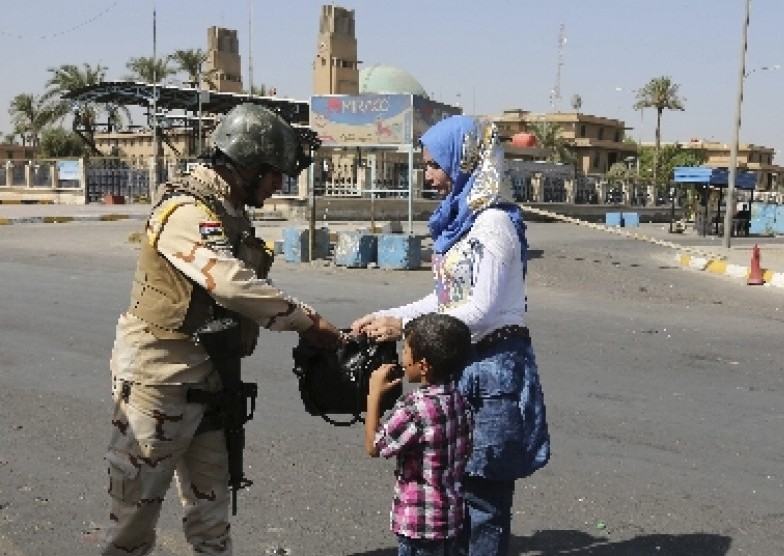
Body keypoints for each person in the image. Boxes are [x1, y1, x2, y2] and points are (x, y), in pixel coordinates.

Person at [101, 102, 343, 556]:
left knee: (212, 517)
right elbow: (230, 283)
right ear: (247, 165)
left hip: (213, 379)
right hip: (159, 383)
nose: (278, 185)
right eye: (274, 174)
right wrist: (307, 321)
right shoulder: (184, 211)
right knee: (133, 525)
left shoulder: (230, 210)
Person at [352, 115, 551, 556]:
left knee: (483, 502)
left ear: (464, 161)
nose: (429, 176)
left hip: (493, 371)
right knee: (457, 493)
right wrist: (390, 314)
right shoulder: (464, 220)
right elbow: (444, 297)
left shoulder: (494, 223)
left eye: (434, 165)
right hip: (463, 363)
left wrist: (405, 327)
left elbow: (480, 310)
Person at [364, 312, 473, 556]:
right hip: (450, 516)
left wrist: (373, 394)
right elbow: (467, 449)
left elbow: (374, 446)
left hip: (418, 522)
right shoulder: (460, 401)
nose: (402, 357)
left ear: (422, 365)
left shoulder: (414, 408)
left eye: (406, 351)